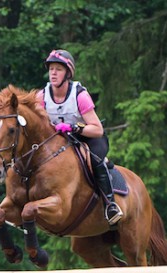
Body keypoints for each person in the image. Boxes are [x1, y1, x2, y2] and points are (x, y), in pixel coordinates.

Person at [35, 49, 123, 226]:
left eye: (58, 69)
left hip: (88, 139)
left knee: (95, 160)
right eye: (51, 68)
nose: (53, 73)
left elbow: (97, 129)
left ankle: (110, 205)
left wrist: (74, 127)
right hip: (59, 142)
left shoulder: (79, 95)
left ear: (68, 73)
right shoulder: (41, 96)